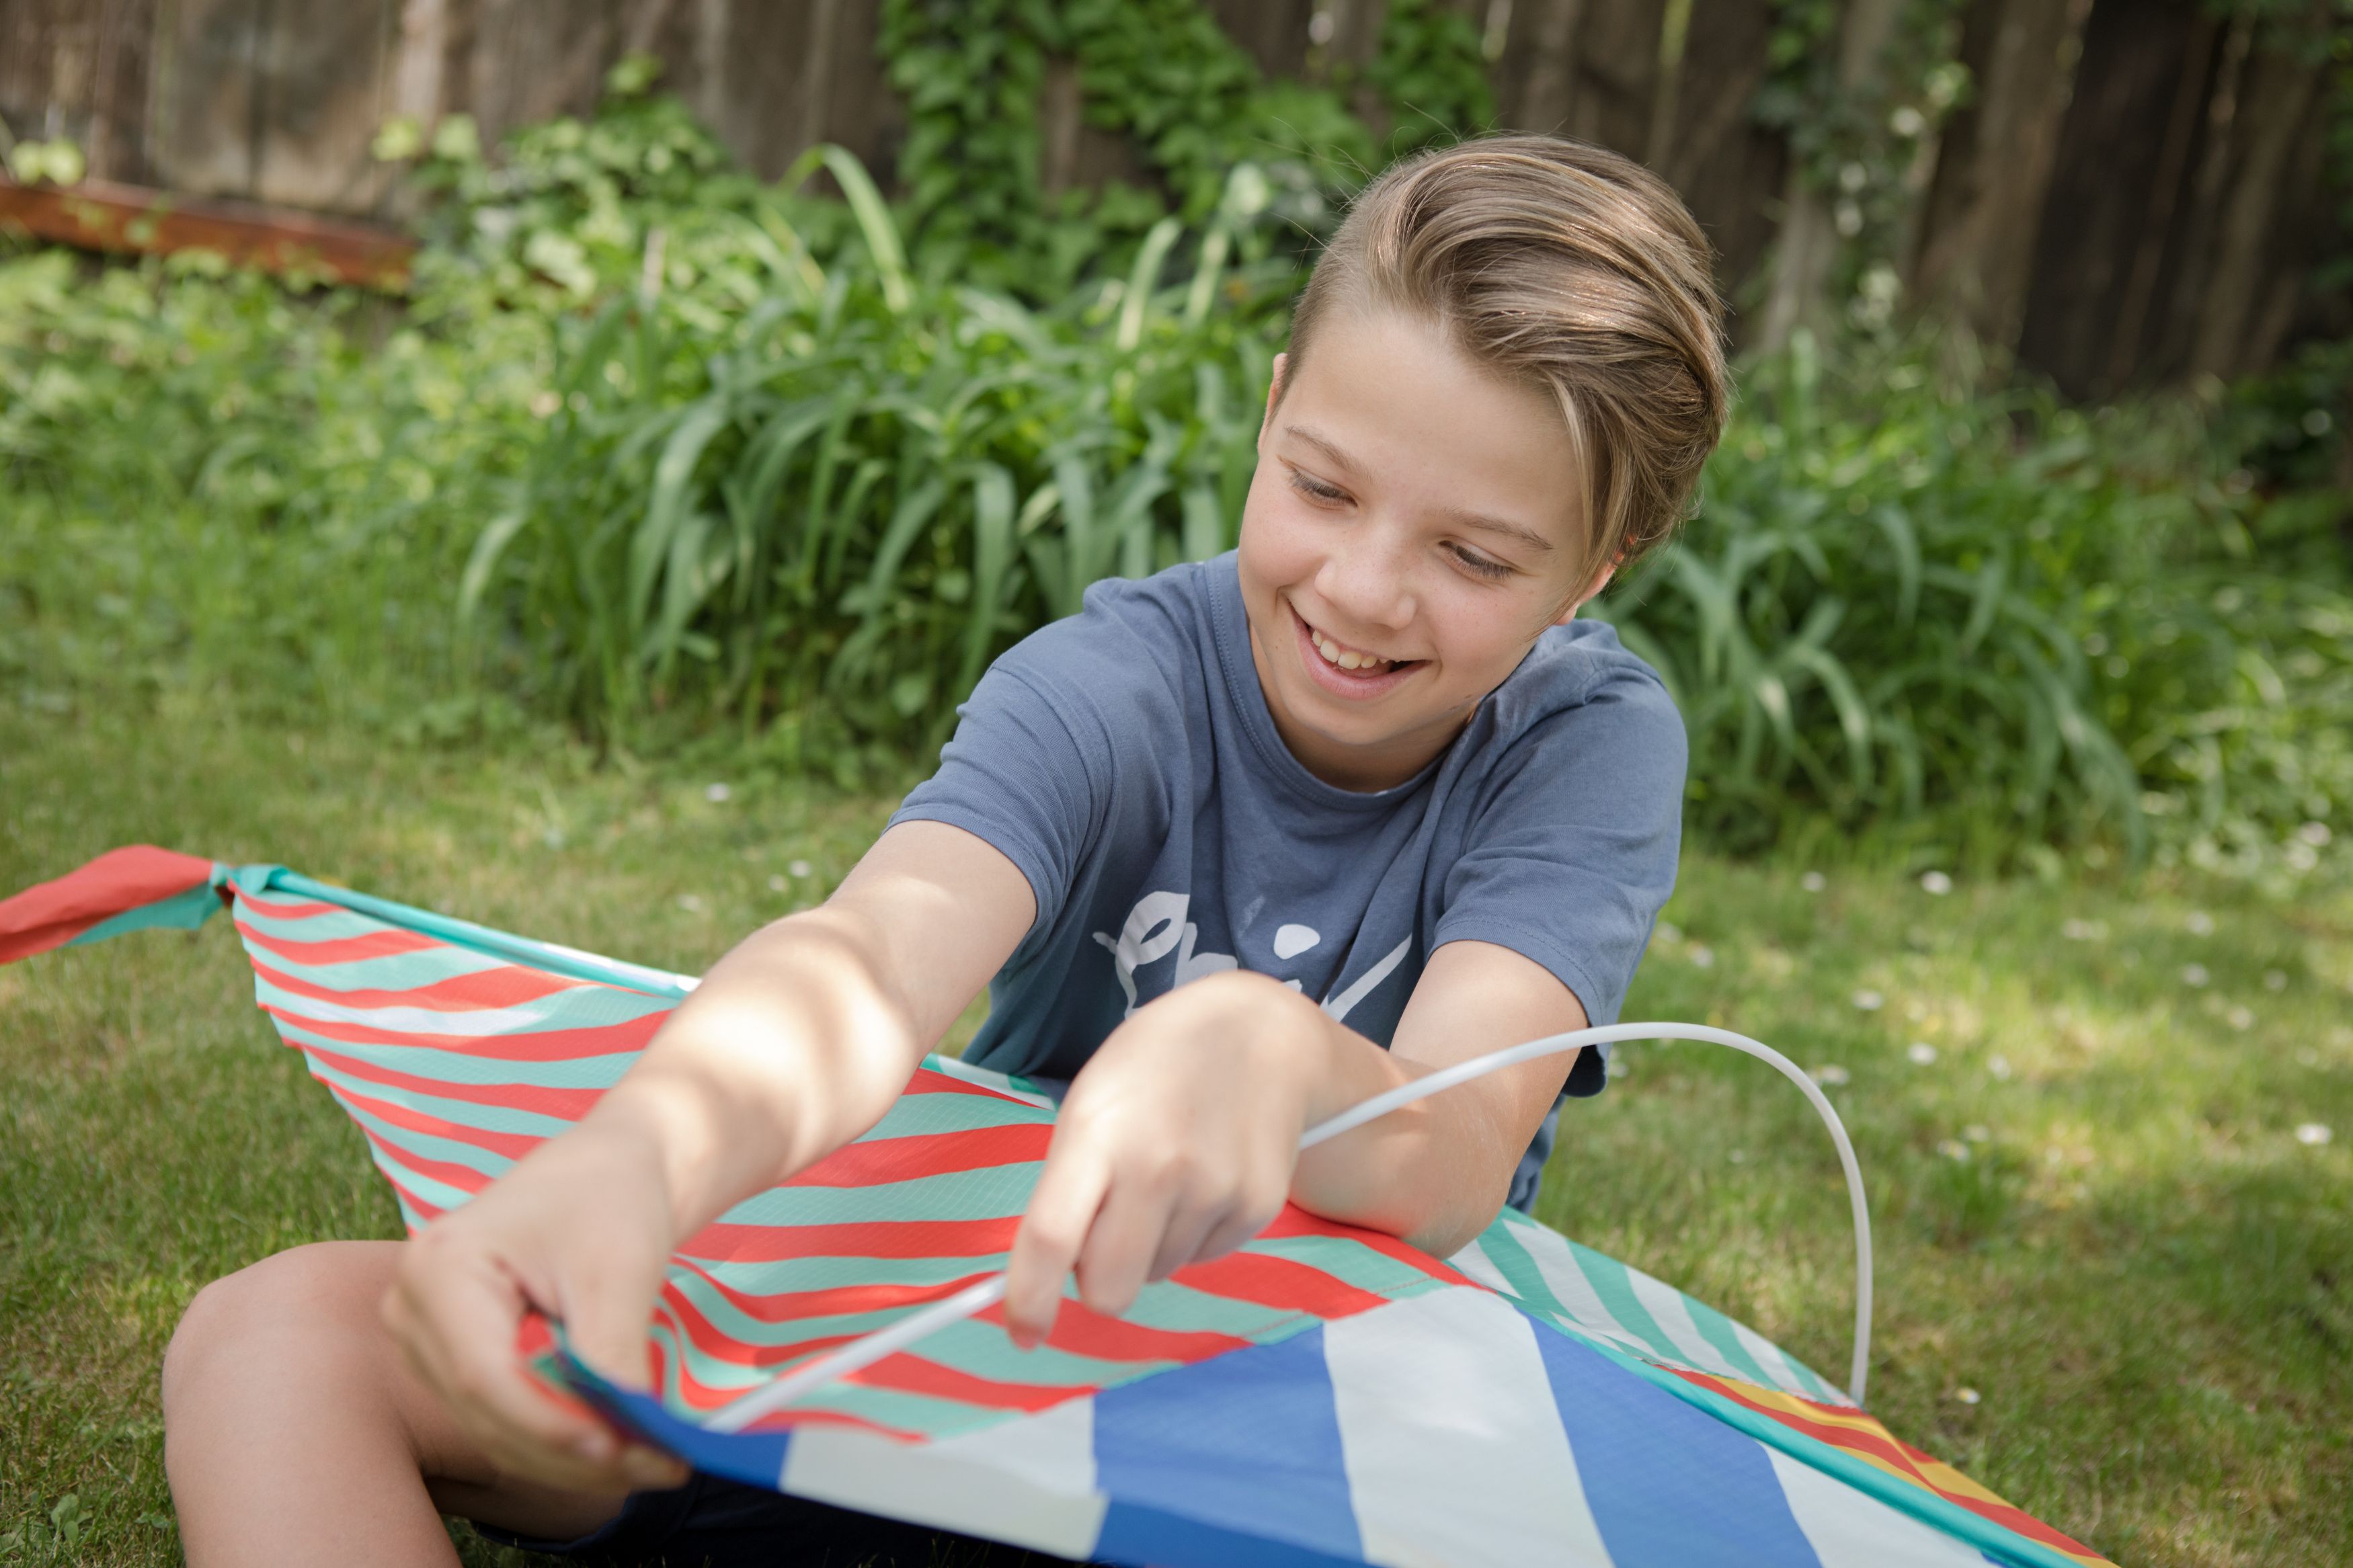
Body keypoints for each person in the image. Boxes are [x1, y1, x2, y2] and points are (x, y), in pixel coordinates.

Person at [159, 132, 1727, 1567]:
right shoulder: (1116, 683)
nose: (1366, 589)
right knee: (277, 1336)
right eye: (1321, 485)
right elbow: (868, 959)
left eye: (1471, 555)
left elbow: (1453, 1149)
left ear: (1597, 565)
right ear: (1267, 413)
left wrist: (1275, 1053)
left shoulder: (1584, 746)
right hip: (954, 1341)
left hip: (1302, 1425)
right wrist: (630, 1168)